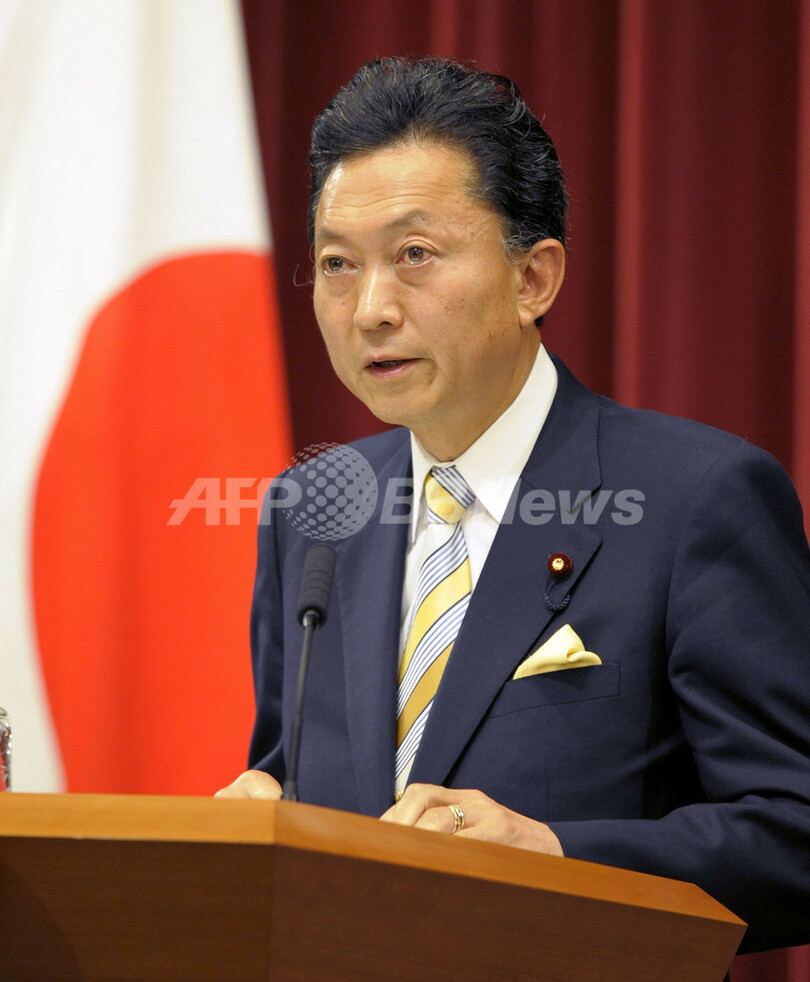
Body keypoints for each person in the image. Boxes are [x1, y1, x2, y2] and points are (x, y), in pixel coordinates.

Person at [217, 57, 810, 953]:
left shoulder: (697, 498)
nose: (370, 308)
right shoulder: (311, 511)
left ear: (533, 279)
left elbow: (794, 833)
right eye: (338, 264)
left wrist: (553, 854)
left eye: (414, 256)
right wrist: (260, 820)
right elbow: (289, 778)